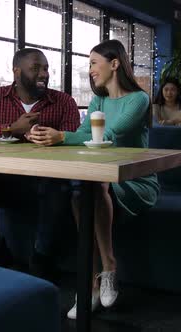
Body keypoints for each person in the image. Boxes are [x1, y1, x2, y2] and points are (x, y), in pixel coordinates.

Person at [29, 40, 159, 319]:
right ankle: (89, 286)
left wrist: (63, 136)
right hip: (102, 179)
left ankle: (108, 268)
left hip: (134, 180)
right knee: (81, 189)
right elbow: (84, 132)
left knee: (92, 185)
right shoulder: (99, 100)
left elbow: (109, 136)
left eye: (93, 63)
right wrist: (53, 137)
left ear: (114, 64)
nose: (90, 70)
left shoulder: (139, 99)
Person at [0, 48, 80, 282]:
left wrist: (54, 137)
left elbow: (73, 138)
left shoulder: (64, 101)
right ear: (16, 72)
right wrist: (10, 129)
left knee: (57, 186)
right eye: (36, 68)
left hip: (46, 180)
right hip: (1, 180)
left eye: (46, 68)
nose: (43, 74)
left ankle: (42, 257)